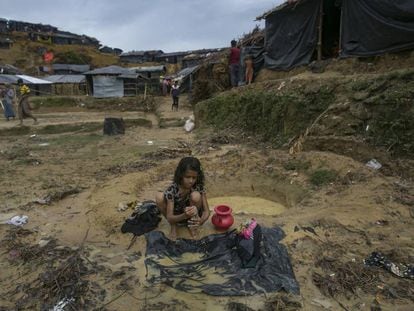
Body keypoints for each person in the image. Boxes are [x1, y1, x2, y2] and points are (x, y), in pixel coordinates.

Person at [155, 157, 210, 240]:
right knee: (159, 197)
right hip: (177, 216)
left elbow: (206, 211)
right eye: (187, 177)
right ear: (181, 175)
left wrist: (200, 221)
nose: (191, 181)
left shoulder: (198, 187)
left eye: (194, 178)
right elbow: (170, 217)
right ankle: (174, 226)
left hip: (192, 216)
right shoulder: (173, 190)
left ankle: (191, 225)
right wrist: (185, 215)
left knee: (196, 195)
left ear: (198, 176)